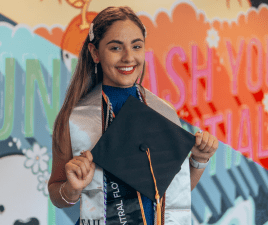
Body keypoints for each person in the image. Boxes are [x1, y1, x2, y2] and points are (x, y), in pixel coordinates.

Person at [48, 6, 219, 225]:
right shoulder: (74, 119)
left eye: (136, 46)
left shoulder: (162, 111)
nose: (128, 57)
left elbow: (169, 194)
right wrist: (72, 189)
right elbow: (57, 193)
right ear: (95, 52)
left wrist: (199, 159)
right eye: (116, 48)